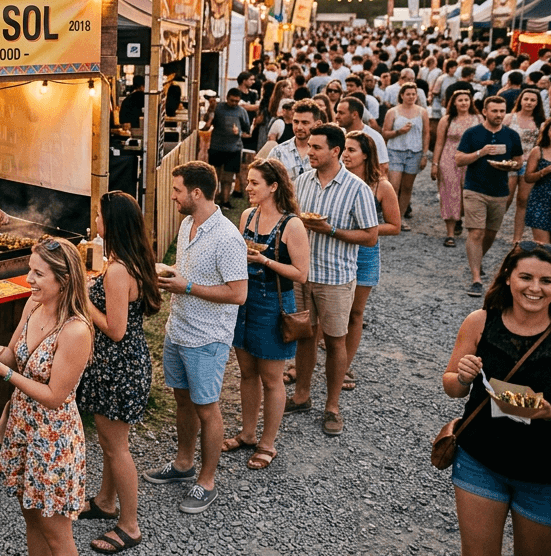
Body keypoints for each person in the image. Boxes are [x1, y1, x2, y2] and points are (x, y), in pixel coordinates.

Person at [442, 243, 551, 556]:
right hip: (480, 461)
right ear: (508, 277)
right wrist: (463, 377)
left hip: (547, 474)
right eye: (526, 277)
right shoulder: (479, 322)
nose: (534, 288)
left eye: (546, 281)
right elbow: (452, 387)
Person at [142, 161, 247, 514]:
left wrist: (185, 286)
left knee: (207, 409)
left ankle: (207, 482)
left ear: (196, 193)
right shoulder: (188, 222)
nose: (172, 196)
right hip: (178, 329)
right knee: (183, 402)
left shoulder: (228, 237)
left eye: (176, 190)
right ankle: (184, 464)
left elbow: (238, 293)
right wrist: (173, 278)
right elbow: (190, 277)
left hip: (207, 339)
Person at [0, 239, 92, 556]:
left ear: (64, 280)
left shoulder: (75, 331)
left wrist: (3, 375)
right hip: (23, 428)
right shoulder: (33, 306)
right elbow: (11, 357)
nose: (29, 279)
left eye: (38, 273)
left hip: (53, 439)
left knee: (57, 534)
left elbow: (55, 396)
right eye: (30, 270)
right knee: (32, 520)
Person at [76, 192, 160, 554]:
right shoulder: (131, 259)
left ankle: (129, 525)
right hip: (127, 364)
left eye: (99, 215)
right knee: (111, 445)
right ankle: (106, 501)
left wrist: (81, 299)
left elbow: (115, 328)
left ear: (112, 223)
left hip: (117, 368)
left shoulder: (116, 270)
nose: (96, 220)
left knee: (116, 447)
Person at [290, 125, 379, 437]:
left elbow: (370, 236)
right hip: (302, 274)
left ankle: (332, 405)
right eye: (309, 146)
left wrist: (330, 231)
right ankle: (301, 396)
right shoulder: (301, 181)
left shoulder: (357, 189)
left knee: (335, 341)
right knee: (304, 335)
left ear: (336, 151)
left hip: (336, 277)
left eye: (316, 147)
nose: (309, 151)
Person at [224, 159, 309, 471]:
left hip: (274, 304)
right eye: (248, 181)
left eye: (254, 182)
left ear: (273, 186)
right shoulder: (247, 216)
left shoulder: (292, 225)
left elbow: (301, 273)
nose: (247, 187)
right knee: (246, 373)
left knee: (272, 379)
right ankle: (247, 433)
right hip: (244, 302)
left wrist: (265, 260)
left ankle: (267, 444)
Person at [340, 131, 401, 391]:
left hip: (364, 254)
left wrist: (366, 229)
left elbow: (395, 225)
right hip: (337, 250)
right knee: (329, 313)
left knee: (354, 313)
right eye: (343, 149)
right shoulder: (337, 180)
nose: (345, 154)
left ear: (366, 154)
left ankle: (342, 367)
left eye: (351, 150)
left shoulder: (381, 186)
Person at [456, 95, 525, 297]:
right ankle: (476, 278)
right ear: (485, 112)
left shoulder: (512, 135)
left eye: (502, 111)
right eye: (494, 111)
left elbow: (519, 160)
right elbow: (459, 159)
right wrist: (481, 153)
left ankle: (476, 260)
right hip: (474, 189)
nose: (499, 115)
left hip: (500, 191)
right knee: (476, 232)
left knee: (490, 234)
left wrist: (513, 165)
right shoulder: (472, 133)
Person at [433, 90, 481, 247]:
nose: (464, 103)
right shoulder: (447, 120)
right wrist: (435, 164)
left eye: (466, 99)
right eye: (460, 100)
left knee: (470, 194)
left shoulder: (478, 119)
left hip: (472, 159)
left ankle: (463, 222)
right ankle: (450, 233)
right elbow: (439, 143)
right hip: (449, 158)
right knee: (450, 193)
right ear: (454, 102)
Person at [382, 82, 428, 231]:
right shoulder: (393, 112)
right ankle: (391, 217)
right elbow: (385, 133)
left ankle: (400, 217)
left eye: (413, 94)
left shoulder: (422, 112)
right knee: (394, 186)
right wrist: (399, 132)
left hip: (414, 152)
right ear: (401, 95)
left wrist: (424, 155)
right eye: (408, 94)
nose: (411, 97)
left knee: (407, 187)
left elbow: (426, 134)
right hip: (395, 151)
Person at [506, 88, 545, 244]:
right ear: (520, 100)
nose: (529, 102)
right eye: (526, 99)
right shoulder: (509, 118)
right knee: (505, 198)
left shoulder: (540, 122)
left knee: (523, 201)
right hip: (509, 163)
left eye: (533, 100)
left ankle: (517, 238)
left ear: (537, 103)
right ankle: (490, 229)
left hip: (529, 163)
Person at [204, 89, 252, 206]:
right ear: (227, 97)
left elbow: (247, 128)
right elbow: (207, 120)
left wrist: (238, 131)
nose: (234, 103)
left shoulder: (241, 111)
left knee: (228, 177)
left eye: (237, 101)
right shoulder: (218, 107)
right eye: (232, 100)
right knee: (215, 176)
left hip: (233, 148)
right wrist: (210, 109)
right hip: (217, 146)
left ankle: (225, 201)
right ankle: (213, 201)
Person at [523, 117, 551, 243]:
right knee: (543, 246)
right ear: (547, 133)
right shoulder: (538, 151)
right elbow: (528, 177)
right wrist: (545, 171)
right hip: (540, 200)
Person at [271, 99, 322, 182]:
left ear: (317, 124)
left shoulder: (326, 152)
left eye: (305, 123)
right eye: (296, 122)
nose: (299, 127)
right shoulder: (278, 152)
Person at [334, 97, 387, 177]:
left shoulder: (374, 137)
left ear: (355, 115)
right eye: (337, 112)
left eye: (341, 113)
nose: (336, 116)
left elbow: (382, 168)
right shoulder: (336, 134)